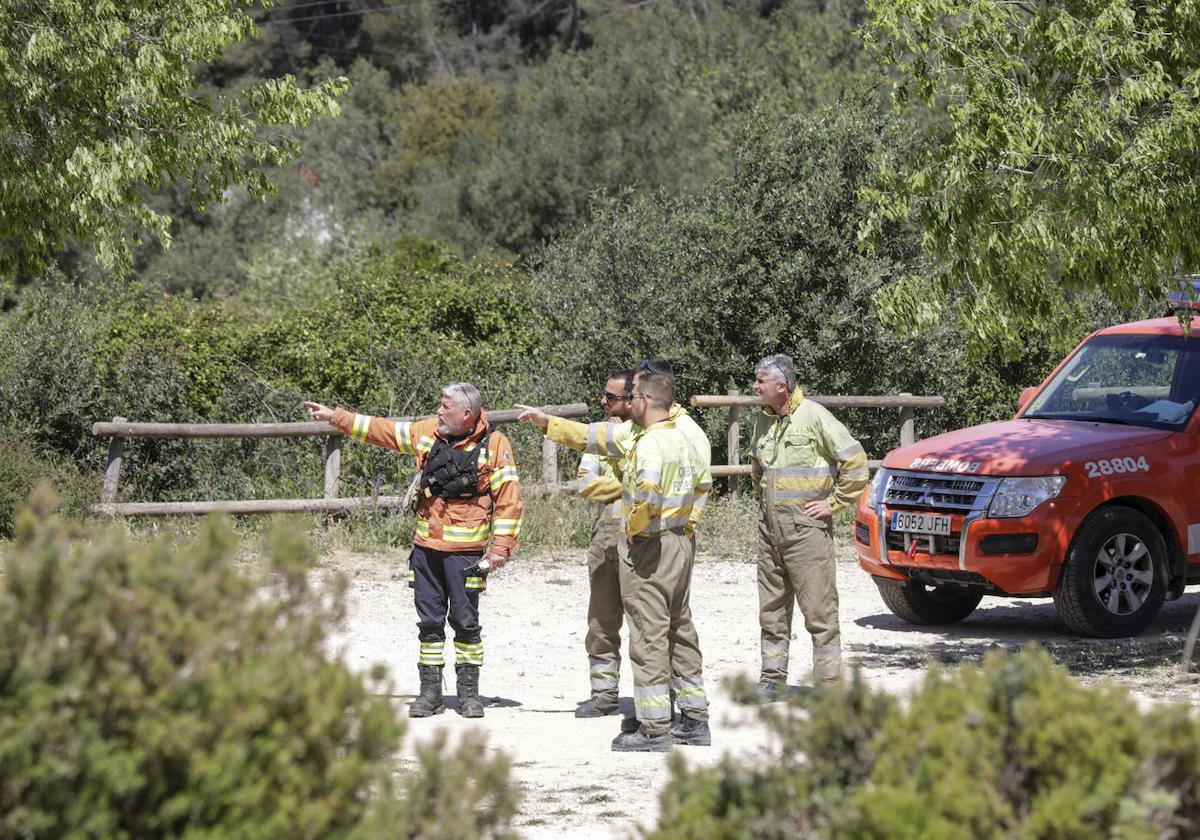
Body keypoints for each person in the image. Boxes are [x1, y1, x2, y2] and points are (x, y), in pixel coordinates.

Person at [517, 365, 712, 752]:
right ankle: (693, 718)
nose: (621, 403)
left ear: (643, 400)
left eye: (631, 396)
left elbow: (649, 493)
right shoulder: (681, 436)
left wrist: (635, 528)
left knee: (648, 633)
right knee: (679, 627)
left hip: (652, 543)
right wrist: (547, 423)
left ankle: (654, 728)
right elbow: (596, 437)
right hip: (677, 542)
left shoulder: (653, 442)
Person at [304, 383, 522, 719]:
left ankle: (468, 695)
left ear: (467, 413)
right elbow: (383, 431)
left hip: (466, 555)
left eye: (445, 406)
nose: (438, 410)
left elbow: (509, 500)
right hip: (425, 551)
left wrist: (500, 551)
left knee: (466, 625)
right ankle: (430, 693)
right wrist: (337, 417)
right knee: (429, 624)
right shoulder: (427, 433)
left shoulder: (495, 444)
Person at [748, 354, 868, 699]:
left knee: (819, 611)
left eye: (761, 381)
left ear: (781, 386)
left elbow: (856, 463)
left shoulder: (814, 416)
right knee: (771, 609)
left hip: (806, 531)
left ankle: (830, 689)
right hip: (769, 529)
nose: (755, 387)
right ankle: (772, 679)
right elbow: (758, 466)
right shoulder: (764, 421)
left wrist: (832, 504)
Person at [573, 369, 635, 718]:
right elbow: (585, 484)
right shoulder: (600, 437)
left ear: (631, 399)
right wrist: (628, 484)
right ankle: (603, 694)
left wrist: (623, 481)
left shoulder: (649, 435)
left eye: (610, 397)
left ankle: (653, 698)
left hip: (641, 538)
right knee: (601, 621)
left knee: (648, 622)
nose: (604, 402)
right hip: (604, 536)